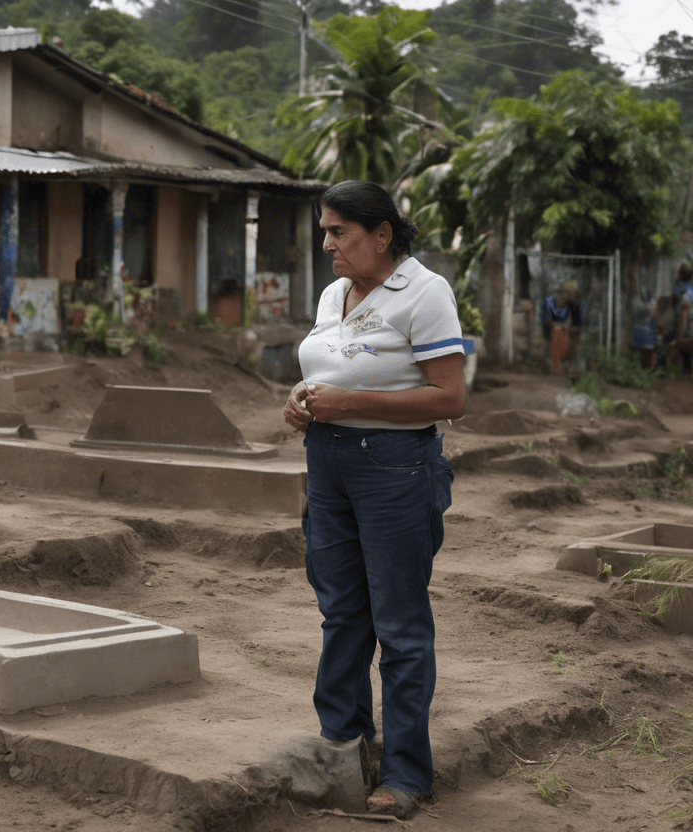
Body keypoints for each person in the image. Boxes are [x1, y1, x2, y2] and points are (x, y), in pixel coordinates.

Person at [282, 181, 465, 819]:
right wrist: (302, 399)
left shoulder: (425, 291)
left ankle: (407, 775)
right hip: (327, 463)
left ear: (381, 235)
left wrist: (350, 404)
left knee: (400, 624)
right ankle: (341, 743)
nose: (327, 243)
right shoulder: (336, 292)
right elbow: (333, 368)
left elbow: (450, 399)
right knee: (341, 612)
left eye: (340, 233)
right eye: (325, 230)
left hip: (394, 469)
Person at [541, 280, 582, 373]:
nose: (568, 297)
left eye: (572, 295)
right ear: (562, 293)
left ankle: (563, 362)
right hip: (551, 330)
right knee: (557, 332)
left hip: (564, 330)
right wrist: (559, 325)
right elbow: (547, 321)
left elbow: (577, 323)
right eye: (568, 294)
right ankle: (557, 363)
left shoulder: (571, 305)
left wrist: (566, 327)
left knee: (564, 335)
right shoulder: (549, 302)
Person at [629, 288, 658, 369]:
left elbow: (653, 314)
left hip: (647, 333)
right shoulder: (637, 304)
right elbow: (652, 313)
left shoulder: (649, 303)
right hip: (640, 333)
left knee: (649, 352)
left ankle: (648, 369)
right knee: (640, 353)